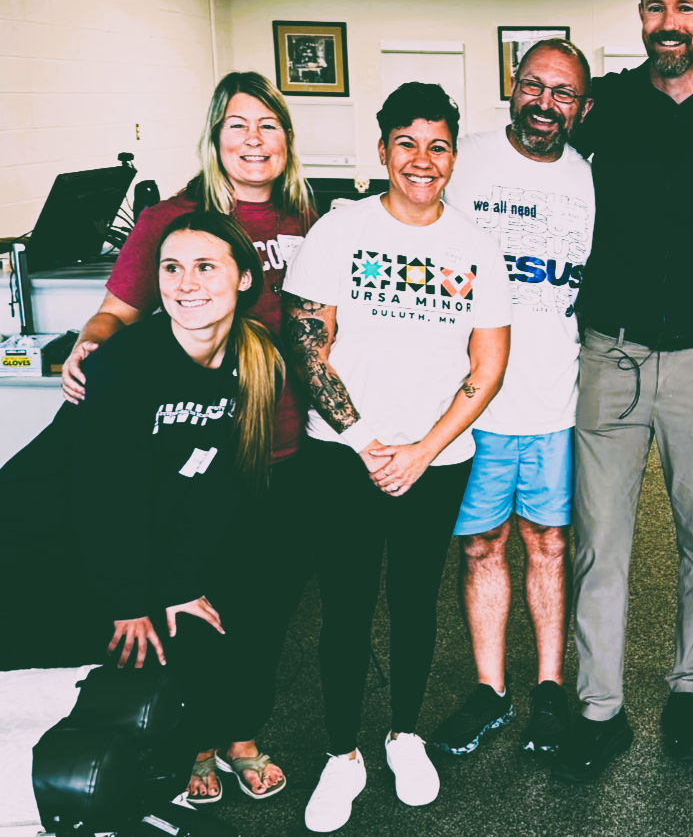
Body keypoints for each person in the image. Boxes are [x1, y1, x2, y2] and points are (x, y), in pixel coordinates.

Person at [57, 70, 316, 801]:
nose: (253, 140)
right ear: (214, 136)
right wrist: (91, 348)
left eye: (267, 125)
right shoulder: (175, 217)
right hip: (196, 455)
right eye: (237, 124)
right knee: (199, 605)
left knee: (264, 609)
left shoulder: (303, 216)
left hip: (285, 443)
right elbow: (120, 311)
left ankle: (241, 733)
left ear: (287, 140)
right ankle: (196, 737)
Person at [283, 82, 511, 832]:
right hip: (342, 455)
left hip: (436, 460)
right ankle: (342, 754)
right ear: (382, 150)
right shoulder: (338, 231)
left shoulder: (475, 247)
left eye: (438, 145)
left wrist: (424, 449)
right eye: (407, 143)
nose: (423, 159)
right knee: (345, 609)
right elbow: (308, 348)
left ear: (453, 155)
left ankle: (404, 734)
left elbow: (488, 363)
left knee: (415, 604)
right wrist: (364, 442)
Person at [2, 212, 287, 803]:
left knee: (216, 612)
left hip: (135, 521)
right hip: (40, 525)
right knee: (94, 659)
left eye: (206, 267)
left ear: (241, 279)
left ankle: (191, 744)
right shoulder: (126, 364)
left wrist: (181, 581)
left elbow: (215, 483)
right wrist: (135, 599)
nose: (186, 284)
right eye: (171, 268)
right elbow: (104, 495)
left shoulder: (255, 361)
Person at [556, 0, 693, 783]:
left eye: (685, 8)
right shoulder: (604, 108)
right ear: (639, 16)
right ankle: (598, 707)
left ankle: (688, 690)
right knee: (601, 543)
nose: (669, 22)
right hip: (612, 353)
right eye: (654, 8)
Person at [430, 39, 595, 757]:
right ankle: (490, 690)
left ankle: (551, 688)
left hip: (555, 402)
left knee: (550, 545)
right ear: (513, 85)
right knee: (481, 547)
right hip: (471, 408)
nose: (544, 103)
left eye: (562, 93)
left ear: (581, 109)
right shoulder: (462, 161)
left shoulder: (591, 180)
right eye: (534, 85)